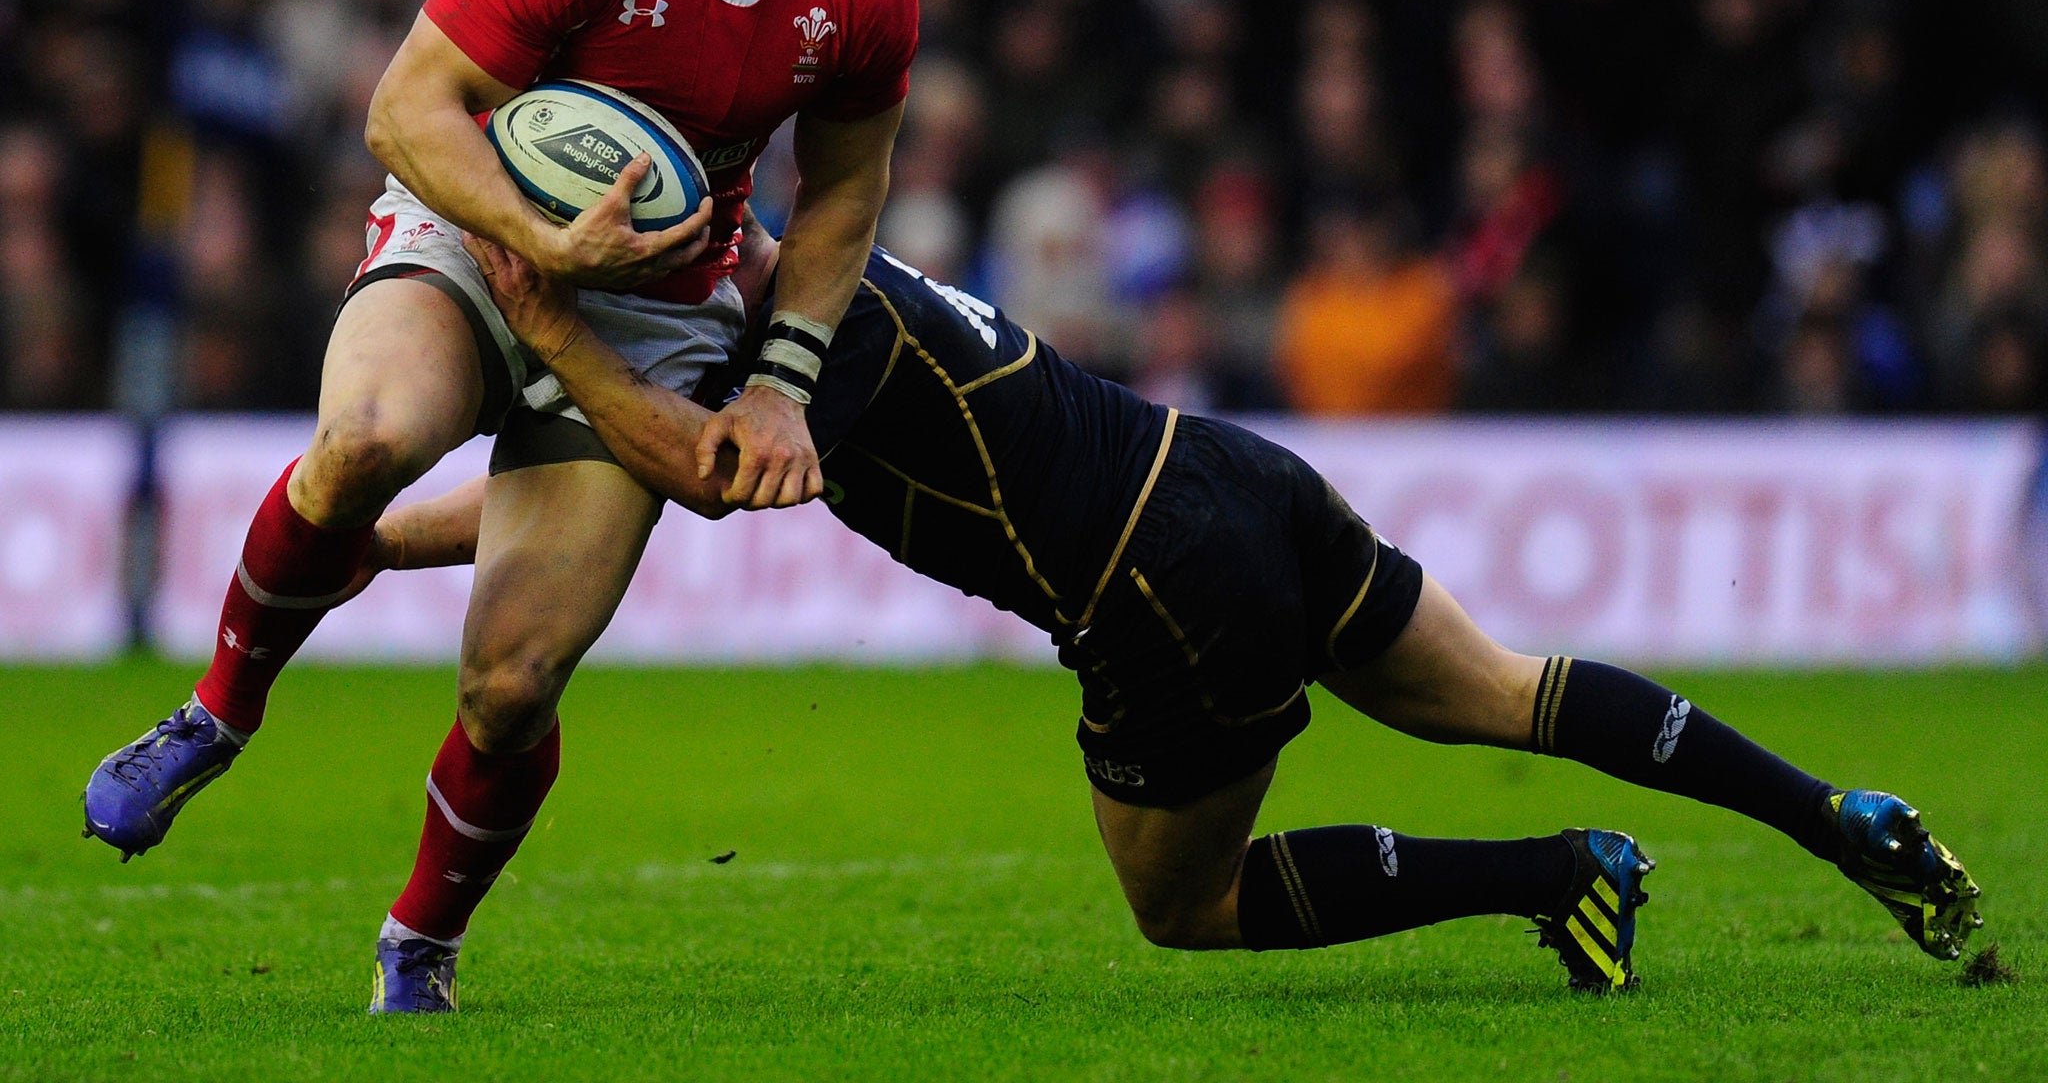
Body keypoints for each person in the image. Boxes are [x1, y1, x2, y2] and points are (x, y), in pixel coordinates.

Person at [354, 221, 1982, 1010]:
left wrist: (554, 327)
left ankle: (1555, 878)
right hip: (1225, 472)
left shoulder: (782, 367)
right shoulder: (839, 271)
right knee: (1514, 686)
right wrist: (386, 539)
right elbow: (573, 497)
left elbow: (661, 486)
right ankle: (1836, 817)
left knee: (1180, 910)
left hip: (1154, 587)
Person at [81, 0, 919, 1009]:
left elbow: (842, 202)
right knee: (365, 438)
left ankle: (419, 945)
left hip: (659, 310)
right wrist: (537, 240)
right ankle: (218, 712)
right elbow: (404, 111)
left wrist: (780, 382)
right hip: (479, 230)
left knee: (513, 683)